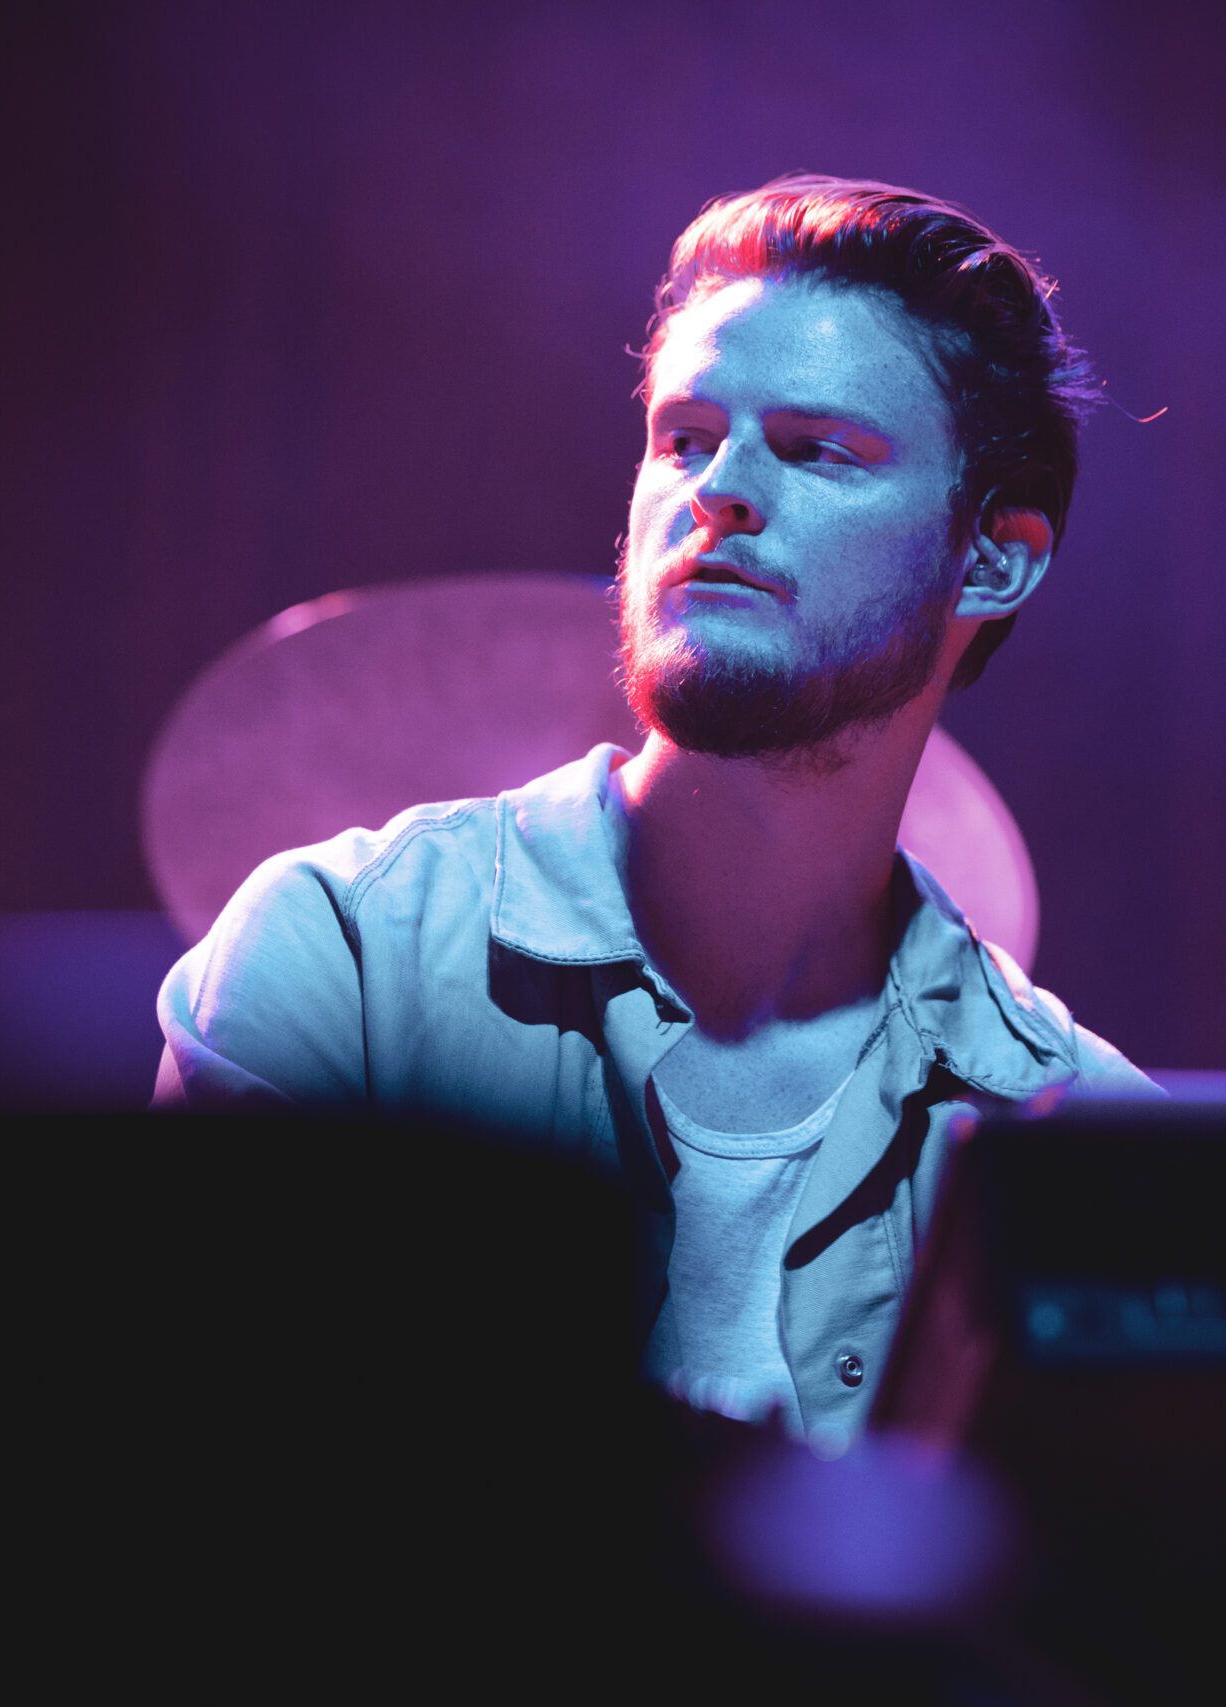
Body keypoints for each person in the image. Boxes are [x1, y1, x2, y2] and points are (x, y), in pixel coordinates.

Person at [154, 174, 1159, 1453]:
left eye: (817, 449)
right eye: (683, 439)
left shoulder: (1087, 1141)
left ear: (994, 557)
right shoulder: (340, 959)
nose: (717, 489)